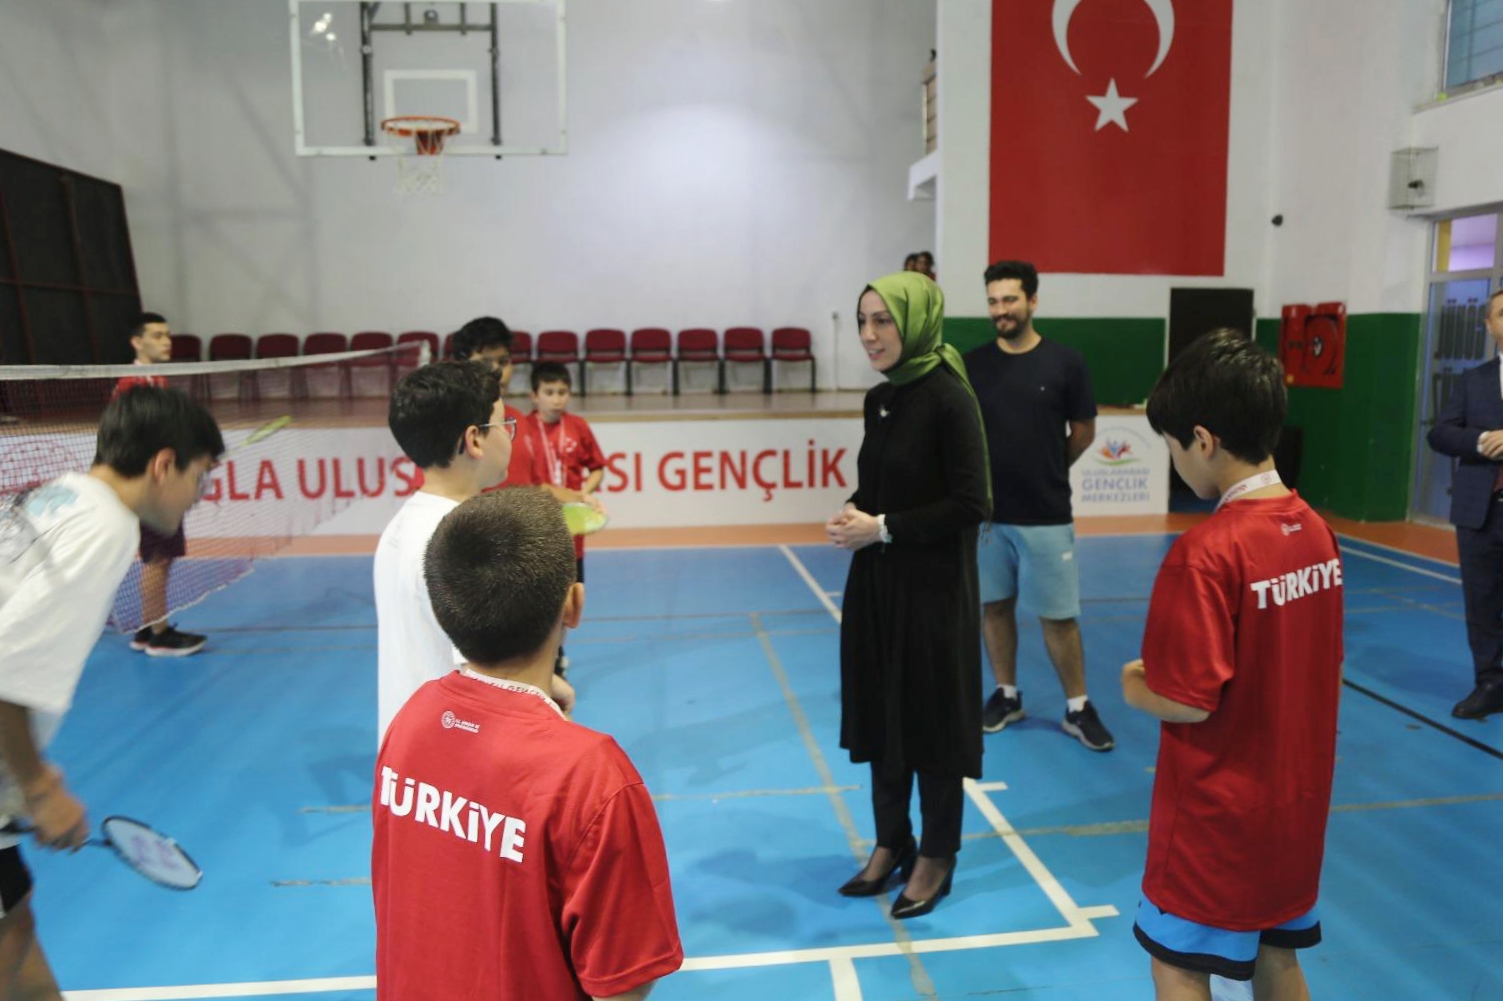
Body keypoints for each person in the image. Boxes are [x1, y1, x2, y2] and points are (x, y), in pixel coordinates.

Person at [373, 489, 683, 1001]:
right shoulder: (592, 779)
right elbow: (622, 984)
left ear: (444, 610)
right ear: (574, 604)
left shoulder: (409, 722)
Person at [1125, 330, 1342, 999]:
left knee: (1177, 963)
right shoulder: (1314, 530)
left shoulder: (1206, 552)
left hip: (1217, 817)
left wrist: (1134, 684)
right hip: (1295, 807)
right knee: (1278, 955)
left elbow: (1188, 698)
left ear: (1202, 439)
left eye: (1170, 445)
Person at [0, 386, 223, 998]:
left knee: (17, 928)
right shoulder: (106, 529)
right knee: (8, 941)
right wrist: (39, 788)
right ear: (163, 465)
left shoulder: (60, 495)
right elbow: (4, 672)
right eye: (200, 477)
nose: (199, 496)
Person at [827, 271, 990, 920]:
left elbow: (972, 502)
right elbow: (881, 487)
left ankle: (938, 853)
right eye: (862, 321)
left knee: (931, 724)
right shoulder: (881, 399)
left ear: (915, 321)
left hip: (933, 594)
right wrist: (856, 509)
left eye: (882, 321)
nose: (869, 334)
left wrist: (885, 527)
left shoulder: (949, 398)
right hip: (878, 585)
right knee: (882, 713)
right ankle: (892, 840)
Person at [374, 362, 575, 741]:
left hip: (407, 748)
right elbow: (485, 677)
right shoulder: (460, 542)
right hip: (453, 751)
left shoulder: (399, 528)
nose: (509, 435)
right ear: (475, 440)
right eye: (503, 424)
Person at [966, 260, 1115, 751]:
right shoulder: (973, 365)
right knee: (994, 608)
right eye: (993, 301)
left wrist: (1048, 467)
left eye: (1009, 299)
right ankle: (1007, 695)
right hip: (989, 519)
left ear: (1032, 300)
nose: (1000, 310)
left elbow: (1084, 432)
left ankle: (1078, 707)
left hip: (1046, 514)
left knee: (1058, 616)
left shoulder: (1066, 363)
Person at [1426, 286, 1503, 720]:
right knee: (1481, 602)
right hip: (1481, 510)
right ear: (1489, 326)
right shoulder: (1474, 381)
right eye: (1502, 313)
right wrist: (1481, 440)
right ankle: (1490, 682)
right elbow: (1440, 433)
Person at [113, 312, 208, 656]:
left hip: (160, 484)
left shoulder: (156, 380)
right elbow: (134, 441)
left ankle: (146, 629)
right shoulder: (132, 385)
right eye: (156, 335)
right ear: (136, 342)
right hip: (150, 489)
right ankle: (160, 635)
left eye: (167, 334)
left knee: (161, 558)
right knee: (158, 558)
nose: (166, 341)